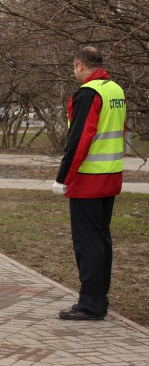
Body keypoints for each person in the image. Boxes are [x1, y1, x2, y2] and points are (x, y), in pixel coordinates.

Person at [53, 46, 126, 321]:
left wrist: (63, 178)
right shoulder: (115, 90)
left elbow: (79, 139)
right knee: (102, 240)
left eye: (74, 67)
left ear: (81, 65)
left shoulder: (88, 93)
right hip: (111, 175)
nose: (74, 72)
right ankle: (98, 299)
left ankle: (91, 304)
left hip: (88, 180)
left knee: (88, 243)